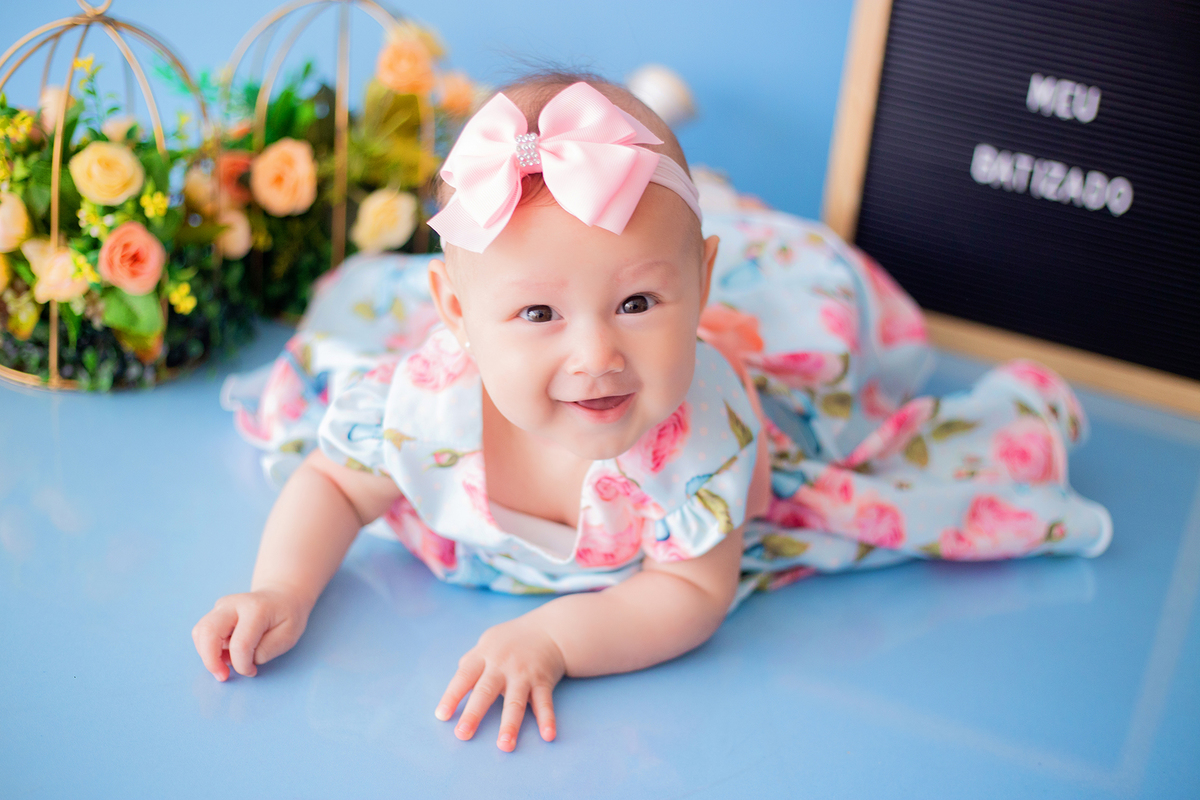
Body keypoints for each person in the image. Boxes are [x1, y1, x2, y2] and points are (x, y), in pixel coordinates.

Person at [197, 72, 1111, 752]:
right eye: (538, 315)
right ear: (459, 318)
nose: (596, 356)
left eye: (639, 306)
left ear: (700, 289)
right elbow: (332, 484)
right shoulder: (424, 405)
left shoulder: (699, 439)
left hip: (755, 329)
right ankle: (680, 159)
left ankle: (716, 201)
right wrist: (281, 586)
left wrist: (555, 636)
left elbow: (690, 591)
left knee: (812, 305)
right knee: (621, 247)